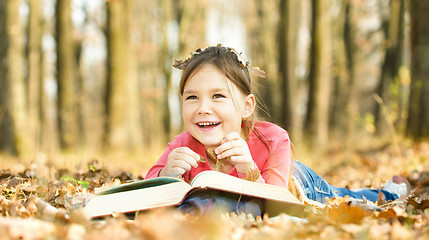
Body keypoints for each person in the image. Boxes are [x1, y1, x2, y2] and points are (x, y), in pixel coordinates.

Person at [144, 45, 408, 216]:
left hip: (297, 183)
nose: (203, 108)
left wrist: (250, 170)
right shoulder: (183, 143)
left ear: (246, 107)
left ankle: (387, 194)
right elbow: (146, 190)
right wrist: (167, 175)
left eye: (217, 96)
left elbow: (278, 202)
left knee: (340, 198)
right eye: (192, 98)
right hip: (238, 205)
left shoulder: (272, 139)